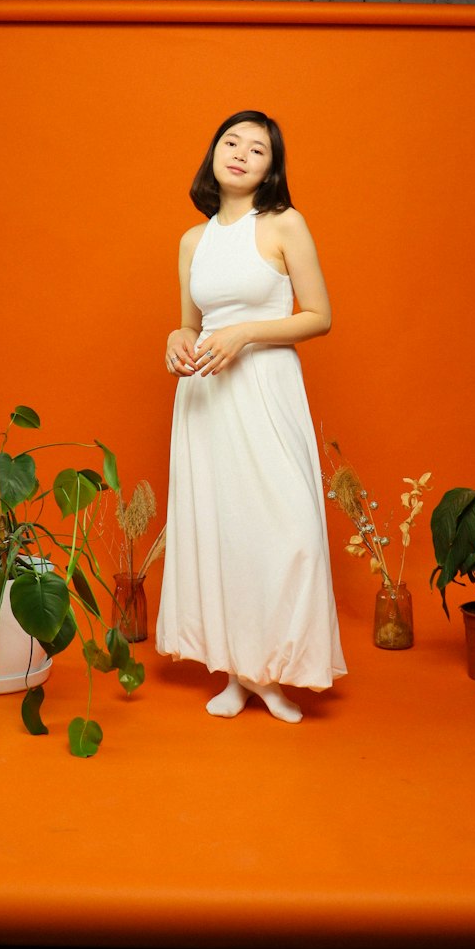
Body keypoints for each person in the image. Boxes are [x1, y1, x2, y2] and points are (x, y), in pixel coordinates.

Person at [155, 110, 346, 723]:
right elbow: (191, 320)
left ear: (271, 168)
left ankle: (275, 671)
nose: (239, 153)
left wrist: (246, 336)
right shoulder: (193, 239)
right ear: (213, 153)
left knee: (287, 532)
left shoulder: (285, 223)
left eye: (256, 149)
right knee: (223, 531)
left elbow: (318, 315)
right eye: (230, 142)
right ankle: (238, 672)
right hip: (206, 399)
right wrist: (175, 339)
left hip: (265, 389)